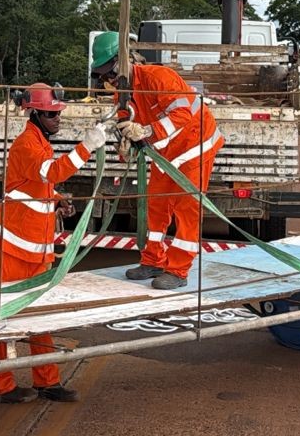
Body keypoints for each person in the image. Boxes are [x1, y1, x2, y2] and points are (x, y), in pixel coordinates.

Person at [0, 82, 105, 404]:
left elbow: (36, 186)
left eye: (58, 114)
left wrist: (55, 200)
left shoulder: (39, 141)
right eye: (51, 115)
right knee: (1, 320)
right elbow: (54, 172)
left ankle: (47, 382)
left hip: (34, 248)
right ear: (34, 114)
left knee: (41, 316)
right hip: (12, 247)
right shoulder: (26, 144)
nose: (57, 119)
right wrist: (87, 146)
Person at [89, 31, 223, 291]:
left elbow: (182, 113)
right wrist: (125, 144)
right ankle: (153, 261)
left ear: (124, 61)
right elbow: (127, 120)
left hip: (196, 144)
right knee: (156, 204)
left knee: (187, 209)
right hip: (167, 151)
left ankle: (178, 270)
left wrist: (147, 131)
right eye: (104, 74)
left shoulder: (158, 77)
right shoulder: (124, 93)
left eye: (111, 72)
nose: (108, 79)